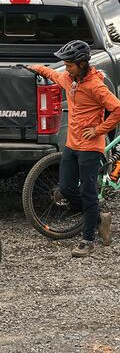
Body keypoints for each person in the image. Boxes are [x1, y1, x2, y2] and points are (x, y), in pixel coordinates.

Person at [28, 40, 120, 257]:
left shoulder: (96, 86)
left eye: (69, 65)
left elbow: (117, 109)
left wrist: (98, 130)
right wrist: (36, 68)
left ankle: (88, 240)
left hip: (90, 147)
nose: (66, 68)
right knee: (66, 188)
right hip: (72, 144)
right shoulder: (70, 79)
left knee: (88, 193)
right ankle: (98, 218)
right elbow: (53, 75)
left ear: (82, 64)